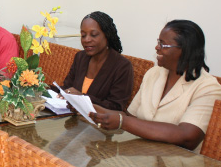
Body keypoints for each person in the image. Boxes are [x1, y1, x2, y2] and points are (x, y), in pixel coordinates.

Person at [90, 20, 221, 153]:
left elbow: (187, 137)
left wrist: (122, 122)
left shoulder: (208, 88)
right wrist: (89, 107)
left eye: (163, 44)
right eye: (158, 42)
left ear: (185, 50)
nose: (157, 47)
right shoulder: (154, 73)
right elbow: (131, 117)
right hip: (140, 155)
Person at [61, 11, 133, 111]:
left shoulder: (122, 66)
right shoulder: (80, 57)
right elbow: (67, 87)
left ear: (107, 35)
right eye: (83, 35)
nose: (86, 40)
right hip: (70, 118)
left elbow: (116, 107)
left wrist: (82, 98)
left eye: (94, 35)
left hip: (98, 124)